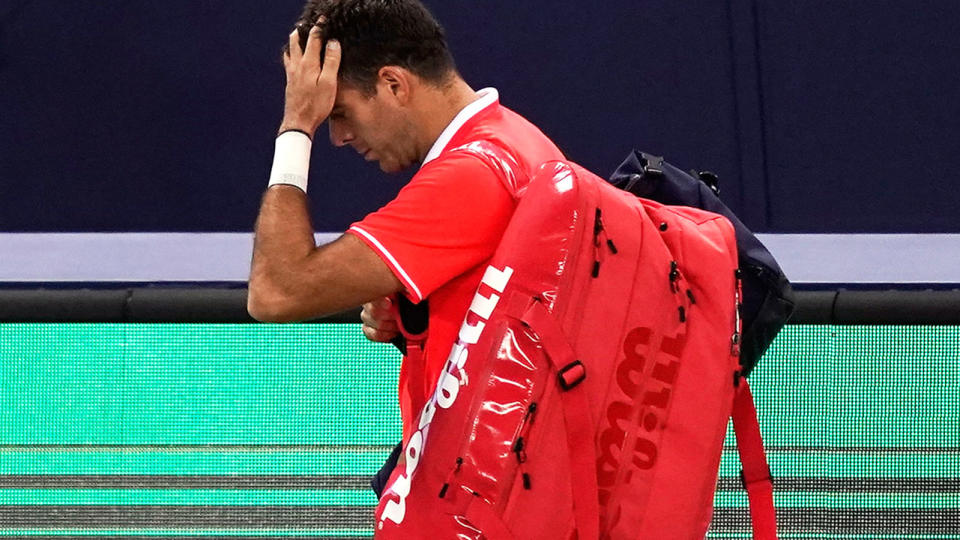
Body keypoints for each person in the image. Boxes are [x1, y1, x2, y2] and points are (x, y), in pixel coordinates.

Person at [247, 0, 565, 448]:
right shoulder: (517, 139)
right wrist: (415, 315)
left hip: (485, 488)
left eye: (338, 113)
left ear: (393, 84)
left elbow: (276, 293)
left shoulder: (472, 176)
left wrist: (297, 125)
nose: (338, 138)